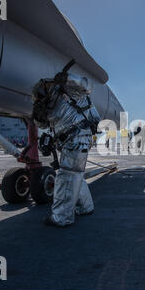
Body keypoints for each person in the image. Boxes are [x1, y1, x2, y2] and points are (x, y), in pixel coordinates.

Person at [32, 72, 101, 227]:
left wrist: (68, 78)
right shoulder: (50, 105)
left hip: (78, 138)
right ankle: (85, 206)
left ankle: (61, 217)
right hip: (73, 141)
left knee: (66, 176)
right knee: (75, 174)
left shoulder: (70, 91)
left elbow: (87, 85)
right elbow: (43, 125)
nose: (41, 97)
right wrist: (37, 114)